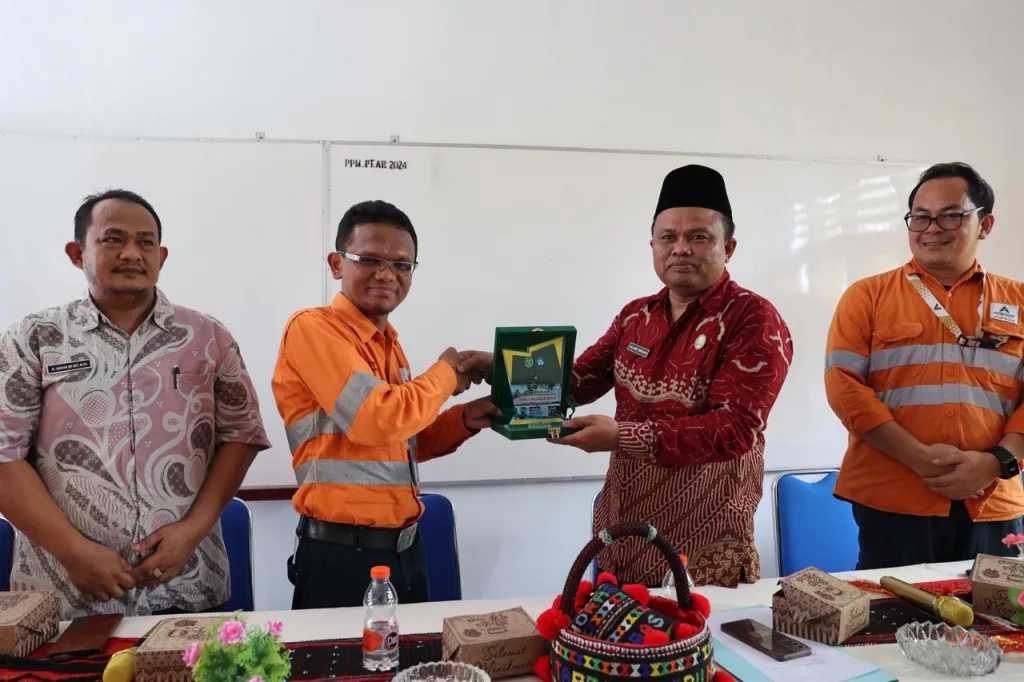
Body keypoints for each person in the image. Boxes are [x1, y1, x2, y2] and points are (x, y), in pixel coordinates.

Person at [0, 189, 270, 619]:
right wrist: (75, 554)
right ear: (77, 253)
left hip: (187, 583)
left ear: (161, 256)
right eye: (113, 239)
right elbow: (4, 454)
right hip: (65, 589)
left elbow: (242, 437)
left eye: (145, 242)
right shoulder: (34, 338)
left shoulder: (207, 337)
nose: (131, 253)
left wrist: (190, 532)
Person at [549, 165, 794, 588]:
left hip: (702, 545)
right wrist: (500, 370)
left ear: (728, 247)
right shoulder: (635, 316)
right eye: (669, 237)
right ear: (653, 246)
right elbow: (576, 382)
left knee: (701, 652)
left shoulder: (753, 319)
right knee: (619, 649)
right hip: (622, 536)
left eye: (698, 236)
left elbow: (735, 429)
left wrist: (621, 436)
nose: (681, 248)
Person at [271, 199, 499, 609]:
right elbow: (376, 419)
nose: (386, 274)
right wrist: (448, 371)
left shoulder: (390, 346)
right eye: (370, 259)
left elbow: (402, 442)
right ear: (336, 264)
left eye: (402, 264)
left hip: (406, 551)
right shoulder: (313, 328)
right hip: (341, 557)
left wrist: (465, 419)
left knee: (412, 671)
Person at [825, 162, 1024, 569]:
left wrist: (994, 463)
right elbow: (843, 388)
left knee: (997, 625)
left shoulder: (1020, 302)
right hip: (894, 497)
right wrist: (918, 457)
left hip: (992, 500)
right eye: (920, 217)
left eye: (952, 215)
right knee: (893, 624)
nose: (932, 228)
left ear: (984, 225)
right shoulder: (867, 297)